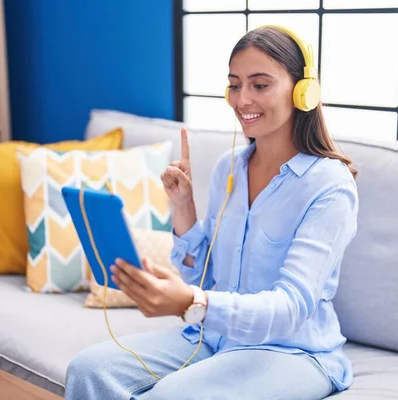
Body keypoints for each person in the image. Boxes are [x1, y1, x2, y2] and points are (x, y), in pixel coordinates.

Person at [64, 25, 359, 400]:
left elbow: (291, 307)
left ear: (303, 92)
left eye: (260, 84)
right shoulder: (229, 167)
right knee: (89, 370)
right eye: (235, 85)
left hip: (291, 350)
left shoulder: (329, 185)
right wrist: (183, 205)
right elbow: (203, 277)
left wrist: (191, 302)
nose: (242, 100)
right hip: (215, 336)